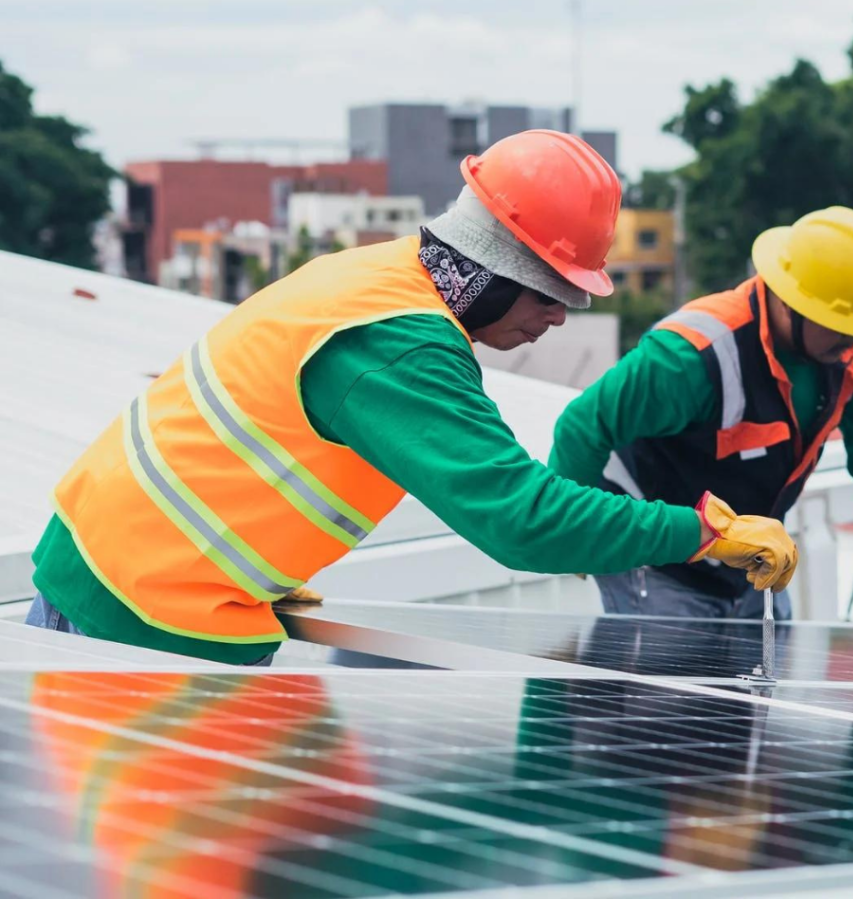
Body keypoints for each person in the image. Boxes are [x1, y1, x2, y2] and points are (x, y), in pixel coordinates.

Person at [25, 130, 797, 665]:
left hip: (123, 566)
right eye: (554, 292)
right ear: (500, 264)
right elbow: (520, 522)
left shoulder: (380, 276)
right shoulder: (400, 345)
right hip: (140, 607)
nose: (560, 316)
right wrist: (702, 531)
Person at [549, 206, 853, 654]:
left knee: (751, 704)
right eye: (842, 327)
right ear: (789, 302)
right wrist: (576, 535)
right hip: (659, 562)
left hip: (753, 561)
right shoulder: (692, 354)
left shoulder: (851, 358)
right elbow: (582, 426)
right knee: (671, 703)